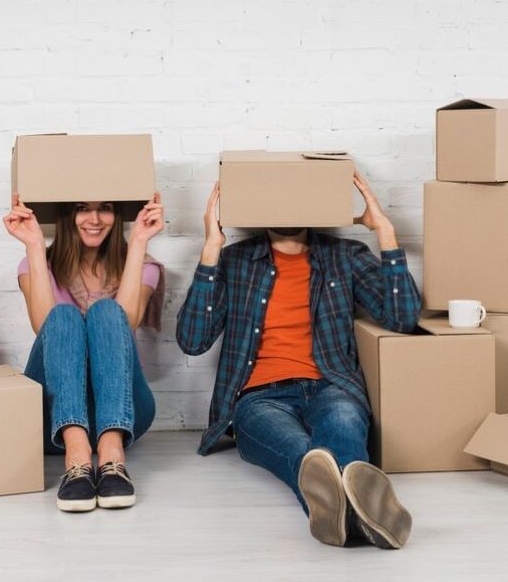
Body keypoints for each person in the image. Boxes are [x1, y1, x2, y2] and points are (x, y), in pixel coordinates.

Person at [176, 173, 421, 549]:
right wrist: (210, 249)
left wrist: (385, 233)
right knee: (303, 454)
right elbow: (192, 341)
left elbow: (402, 318)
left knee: (343, 424)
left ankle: (342, 520)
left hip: (331, 385)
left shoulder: (346, 256)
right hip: (259, 398)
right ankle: (366, 518)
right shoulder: (234, 261)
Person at [4, 192, 164, 512]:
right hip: (54, 415)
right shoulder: (34, 265)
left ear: (117, 214)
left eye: (105, 208)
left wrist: (138, 241)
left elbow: (127, 322)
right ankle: (76, 457)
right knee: (62, 316)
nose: (94, 219)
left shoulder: (144, 266)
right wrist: (34, 245)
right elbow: (45, 326)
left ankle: (112, 456)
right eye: (81, 209)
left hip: (124, 411)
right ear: (66, 215)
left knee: (107, 311)